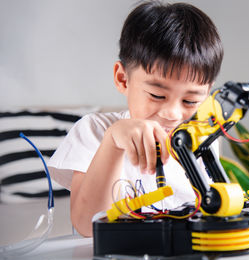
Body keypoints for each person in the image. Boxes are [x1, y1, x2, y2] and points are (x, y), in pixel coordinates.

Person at [48, 1, 223, 237]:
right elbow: (86, 225)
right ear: (123, 79)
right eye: (157, 95)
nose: (172, 113)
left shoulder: (200, 137)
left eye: (190, 101)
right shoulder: (95, 131)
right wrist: (112, 142)